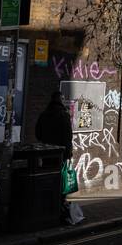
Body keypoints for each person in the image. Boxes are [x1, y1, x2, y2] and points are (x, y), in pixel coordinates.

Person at [35, 91, 75, 221]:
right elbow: (68, 137)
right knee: (60, 182)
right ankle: (58, 208)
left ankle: (46, 207)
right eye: (63, 98)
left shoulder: (44, 115)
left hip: (46, 154)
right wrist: (68, 153)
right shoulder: (63, 115)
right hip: (60, 155)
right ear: (61, 100)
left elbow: (38, 133)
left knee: (47, 179)